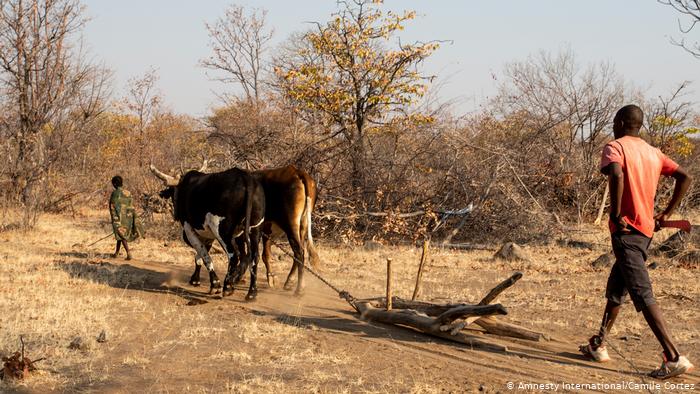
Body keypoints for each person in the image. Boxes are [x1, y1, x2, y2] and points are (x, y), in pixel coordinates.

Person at [579, 104, 694, 379]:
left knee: (642, 293)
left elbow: (616, 173)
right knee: (617, 288)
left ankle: (673, 356)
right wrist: (666, 213)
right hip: (644, 232)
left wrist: (616, 213)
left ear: (619, 122)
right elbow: (685, 176)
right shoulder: (653, 152)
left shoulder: (615, 146)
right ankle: (599, 344)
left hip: (626, 232)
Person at [109, 175, 142, 260]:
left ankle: (128, 253)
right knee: (120, 235)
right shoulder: (128, 193)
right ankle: (116, 253)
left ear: (115, 184)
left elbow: (112, 206)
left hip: (119, 218)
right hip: (128, 217)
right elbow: (131, 206)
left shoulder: (115, 193)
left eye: (113, 183)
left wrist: (114, 219)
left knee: (121, 235)